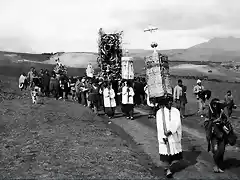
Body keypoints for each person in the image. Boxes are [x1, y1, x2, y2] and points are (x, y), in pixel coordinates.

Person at [203, 98, 235, 173]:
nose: (215, 105)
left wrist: (223, 121)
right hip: (214, 135)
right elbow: (206, 123)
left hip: (222, 134)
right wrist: (214, 121)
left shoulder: (221, 112)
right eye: (214, 104)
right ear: (212, 104)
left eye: (216, 104)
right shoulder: (209, 113)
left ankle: (219, 166)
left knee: (222, 150)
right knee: (216, 151)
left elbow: (226, 121)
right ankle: (216, 165)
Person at [156, 95, 182, 178]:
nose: (170, 103)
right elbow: (159, 126)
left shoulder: (176, 111)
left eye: (171, 101)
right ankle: (168, 170)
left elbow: (177, 122)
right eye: (168, 101)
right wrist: (163, 136)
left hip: (174, 135)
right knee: (166, 155)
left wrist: (171, 131)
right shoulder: (160, 112)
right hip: (165, 137)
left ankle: (169, 167)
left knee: (174, 156)